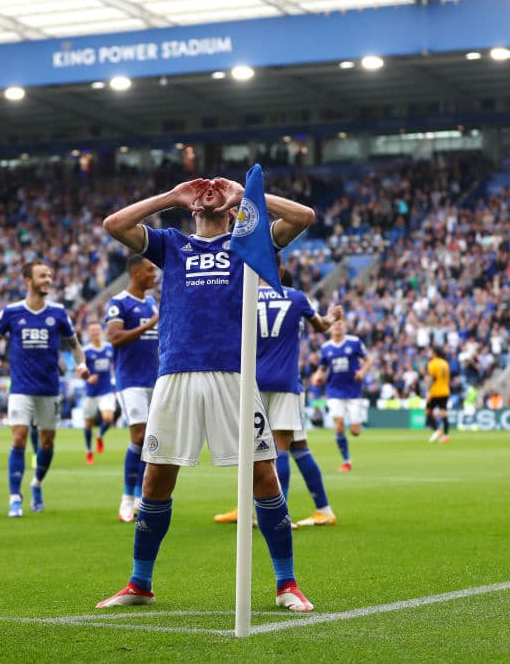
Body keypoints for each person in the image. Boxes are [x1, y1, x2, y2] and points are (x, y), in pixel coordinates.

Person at [96, 175, 316, 612]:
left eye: (219, 192)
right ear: (192, 207)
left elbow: (303, 217)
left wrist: (247, 195)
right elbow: (114, 225)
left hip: (233, 375)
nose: (209, 192)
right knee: (156, 479)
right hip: (175, 373)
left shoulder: (248, 244)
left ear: (232, 209)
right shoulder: (171, 244)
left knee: (263, 476)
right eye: (203, 191)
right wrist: (171, 197)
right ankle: (140, 583)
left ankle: (286, 583)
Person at [215, 261, 342, 527]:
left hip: (253, 382)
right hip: (285, 383)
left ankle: (272, 513)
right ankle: (283, 511)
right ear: (281, 272)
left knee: (256, 448)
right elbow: (321, 326)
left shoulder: (244, 297)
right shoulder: (296, 298)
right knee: (285, 447)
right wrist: (332, 316)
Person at [0, 260, 90, 518]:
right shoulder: (11, 312)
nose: (48, 280)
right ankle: (14, 497)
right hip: (20, 387)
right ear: (28, 281)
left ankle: (37, 484)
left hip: (49, 388)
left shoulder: (58, 313)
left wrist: (81, 364)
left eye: (50, 276)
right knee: (19, 436)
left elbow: (75, 344)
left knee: (47, 441)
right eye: (43, 276)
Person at [105, 254, 160, 522]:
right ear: (136, 273)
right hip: (130, 380)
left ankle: (141, 496)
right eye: (150, 270)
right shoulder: (119, 303)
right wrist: (149, 324)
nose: (154, 274)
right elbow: (114, 338)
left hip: (155, 379)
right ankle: (127, 499)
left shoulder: (151, 302)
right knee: (138, 437)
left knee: (151, 440)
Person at [312, 316, 371, 471]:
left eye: (340, 323)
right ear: (330, 328)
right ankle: (347, 461)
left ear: (344, 326)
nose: (337, 326)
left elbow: (368, 360)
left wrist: (362, 372)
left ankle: (353, 425)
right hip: (334, 391)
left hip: (353, 391)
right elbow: (322, 368)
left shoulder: (354, 342)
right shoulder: (326, 348)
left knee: (355, 431)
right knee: (338, 425)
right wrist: (317, 376)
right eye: (334, 324)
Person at [82, 322, 116, 465]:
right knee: (88, 424)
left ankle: (100, 434)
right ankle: (89, 450)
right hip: (91, 393)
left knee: (108, 418)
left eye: (97, 329)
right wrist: (88, 378)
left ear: (101, 331)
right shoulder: (86, 351)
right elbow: (80, 370)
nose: (95, 332)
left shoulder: (109, 348)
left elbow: (116, 364)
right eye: (92, 330)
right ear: (89, 333)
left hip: (106, 390)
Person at [426, 345, 451, 444]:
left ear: (434, 353)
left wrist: (428, 391)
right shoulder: (445, 363)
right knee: (444, 413)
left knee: (428, 412)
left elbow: (432, 378)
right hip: (445, 390)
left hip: (436, 391)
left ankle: (437, 431)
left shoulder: (433, 363)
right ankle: (446, 436)